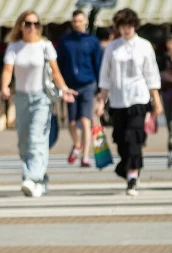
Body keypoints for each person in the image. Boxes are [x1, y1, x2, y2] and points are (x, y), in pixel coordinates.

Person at [3, 10, 76, 197]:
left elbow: (55, 72)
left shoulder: (46, 46)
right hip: (21, 98)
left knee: (37, 138)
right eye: (28, 23)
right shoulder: (14, 47)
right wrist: (4, 86)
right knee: (24, 143)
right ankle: (41, 178)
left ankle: (30, 178)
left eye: (36, 24)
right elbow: (8, 70)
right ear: (21, 25)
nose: (32, 27)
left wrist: (64, 89)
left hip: (41, 98)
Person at [95, 8, 162, 197]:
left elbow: (151, 74)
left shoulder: (144, 46)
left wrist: (156, 100)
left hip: (139, 98)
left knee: (134, 138)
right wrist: (102, 100)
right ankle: (128, 168)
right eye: (122, 26)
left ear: (135, 26)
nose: (126, 30)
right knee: (121, 139)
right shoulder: (112, 47)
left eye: (129, 26)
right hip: (117, 99)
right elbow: (105, 74)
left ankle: (132, 177)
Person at [57, 10, 103, 167]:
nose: (77, 23)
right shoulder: (65, 41)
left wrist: (100, 89)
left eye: (80, 21)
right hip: (70, 86)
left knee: (85, 120)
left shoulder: (92, 41)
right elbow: (59, 64)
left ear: (85, 22)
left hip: (88, 84)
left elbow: (98, 64)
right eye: (75, 21)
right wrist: (61, 85)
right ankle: (77, 144)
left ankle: (85, 156)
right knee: (71, 122)